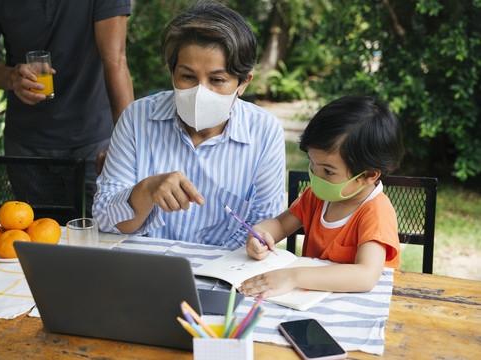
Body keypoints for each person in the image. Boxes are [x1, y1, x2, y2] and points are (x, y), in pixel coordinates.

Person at [93, 1, 285, 248]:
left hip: (224, 277)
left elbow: (264, 226)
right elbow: (104, 221)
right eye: (188, 77)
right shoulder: (136, 118)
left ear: (243, 83)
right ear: (171, 72)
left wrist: (258, 243)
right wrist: (146, 190)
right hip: (144, 272)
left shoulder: (264, 132)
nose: (200, 92)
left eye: (217, 79)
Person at [0, 0, 134, 219]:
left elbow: (115, 59)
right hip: (26, 146)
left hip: (94, 141)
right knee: (38, 241)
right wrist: (11, 78)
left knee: (106, 236)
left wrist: (127, 145)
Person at [239, 95, 404, 296]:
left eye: (328, 171)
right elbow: (281, 225)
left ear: (368, 175)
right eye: (312, 163)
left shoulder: (376, 213)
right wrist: (258, 234)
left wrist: (294, 277)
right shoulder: (317, 196)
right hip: (309, 300)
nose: (315, 176)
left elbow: (365, 276)